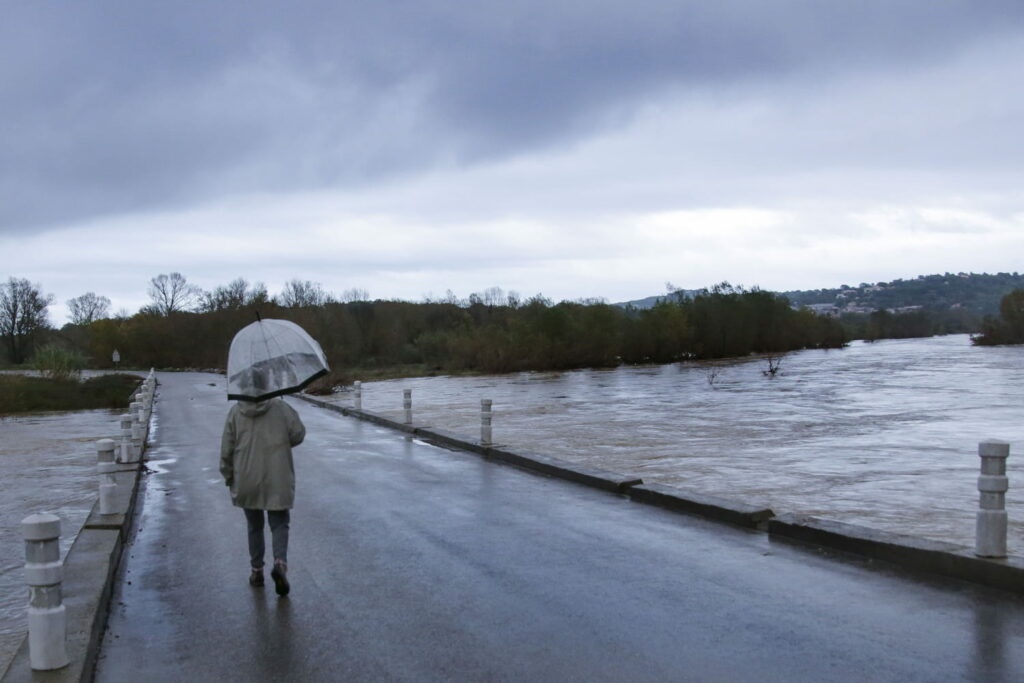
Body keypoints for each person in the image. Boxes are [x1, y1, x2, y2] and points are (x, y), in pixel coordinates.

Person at [220, 397, 306, 596]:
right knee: (279, 523)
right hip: (277, 475)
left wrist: (228, 475)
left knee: (254, 526)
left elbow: (227, 449)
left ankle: (256, 571)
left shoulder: (235, 412)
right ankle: (280, 564)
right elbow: (298, 434)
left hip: (246, 478)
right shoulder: (280, 407)